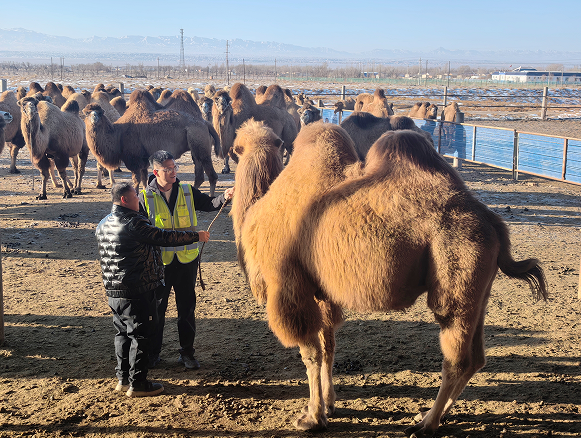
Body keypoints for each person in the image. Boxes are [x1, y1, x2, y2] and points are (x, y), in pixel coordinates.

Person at [96, 182, 210, 397]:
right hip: (138, 289)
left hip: (114, 290)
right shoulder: (133, 222)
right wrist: (196, 236)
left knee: (122, 334)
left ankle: (123, 379)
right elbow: (163, 237)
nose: (139, 201)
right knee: (141, 335)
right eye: (135, 197)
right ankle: (138, 383)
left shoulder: (103, 223)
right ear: (124, 200)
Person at [139, 150, 234, 370]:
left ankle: (187, 353)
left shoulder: (187, 191)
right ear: (156, 172)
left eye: (175, 167)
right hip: (159, 264)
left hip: (187, 262)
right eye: (168, 169)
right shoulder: (144, 198)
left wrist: (225, 196)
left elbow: (210, 204)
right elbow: (143, 233)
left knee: (187, 310)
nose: (174, 172)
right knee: (156, 311)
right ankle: (153, 354)